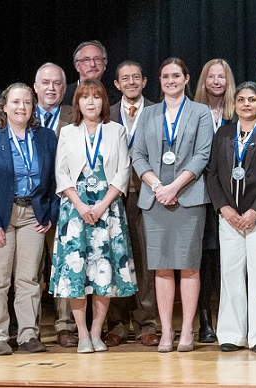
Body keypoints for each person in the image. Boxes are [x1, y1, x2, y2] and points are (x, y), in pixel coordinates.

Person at [0, 83, 59, 356]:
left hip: (34, 214)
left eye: (27, 103)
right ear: (4, 107)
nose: (22, 107)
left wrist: (50, 213)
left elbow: (56, 180)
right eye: (16, 102)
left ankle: (28, 334)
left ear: (33, 108)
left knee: (29, 279)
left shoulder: (46, 138)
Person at [130, 58, 214, 353]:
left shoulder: (201, 112)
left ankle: (188, 331)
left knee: (189, 266)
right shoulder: (149, 113)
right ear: (160, 80)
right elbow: (137, 154)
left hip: (189, 199)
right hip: (155, 201)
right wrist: (157, 187)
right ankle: (166, 332)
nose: (170, 80)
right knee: (162, 267)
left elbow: (203, 154)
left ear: (187, 78)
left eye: (176, 75)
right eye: (165, 76)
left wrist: (175, 186)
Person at [52, 79, 138, 354]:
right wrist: (79, 204)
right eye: (85, 97)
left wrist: (102, 205)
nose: (91, 102)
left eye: (96, 97)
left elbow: (123, 171)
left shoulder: (116, 131)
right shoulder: (67, 132)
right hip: (76, 212)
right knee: (76, 274)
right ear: (77, 102)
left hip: (107, 210)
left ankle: (97, 332)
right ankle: (82, 334)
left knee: (104, 274)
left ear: (104, 102)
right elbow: (61, 173)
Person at [204, 82, 256, 353]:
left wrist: (255, 211)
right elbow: (212, 173)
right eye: (241, 100)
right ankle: (231, 334)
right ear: (234, 104)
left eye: (252, 100)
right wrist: (224, 208)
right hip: (230, 218)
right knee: (231, 275)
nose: (246, 104)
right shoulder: (224, 132)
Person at [104, 60, 159, 347]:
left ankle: (146, 322)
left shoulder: (158, 112)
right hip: (114, 196)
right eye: (124, 78)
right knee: (115, 259)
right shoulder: (107, 114)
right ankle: (117, 323)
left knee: (145, 261)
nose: (130, 82)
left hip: (146, 194)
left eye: (135, 77)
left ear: (144, 80)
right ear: (117, 84)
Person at [33, 62, 81, 347]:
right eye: (46, 83)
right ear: (36, 87)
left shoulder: (74, 116)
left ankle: (65, 326)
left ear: (65, 89)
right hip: (32, 205)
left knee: (64, 266)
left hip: (66, 203)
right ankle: (30, 326)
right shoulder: (23, 113)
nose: (51, 88)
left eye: (57, 84)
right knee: (30, 271)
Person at [193, 58, 237, 345]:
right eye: (212, 77)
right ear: (204, 81)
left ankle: (231, 321)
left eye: (222, 77)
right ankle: (205, 320)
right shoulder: (193, 112)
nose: (217, 82)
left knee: (229, 263)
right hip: (200, 196)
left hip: (233, 197)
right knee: (205, 262)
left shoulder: (239, 113)